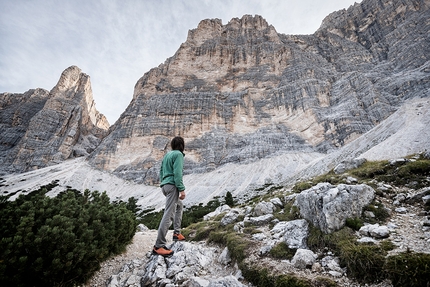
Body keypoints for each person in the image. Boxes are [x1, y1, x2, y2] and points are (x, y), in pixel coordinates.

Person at [152, 136, 186, 257]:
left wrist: (164, 183)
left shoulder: (167, 155)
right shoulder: (178, 155)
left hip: (165, 185)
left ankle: (176, 233)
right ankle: (158, 245)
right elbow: (177, 173)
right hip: (172, 186)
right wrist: (181, 189)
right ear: (182, 145)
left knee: (179, 206)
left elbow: (161, 171)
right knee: (169, 214)